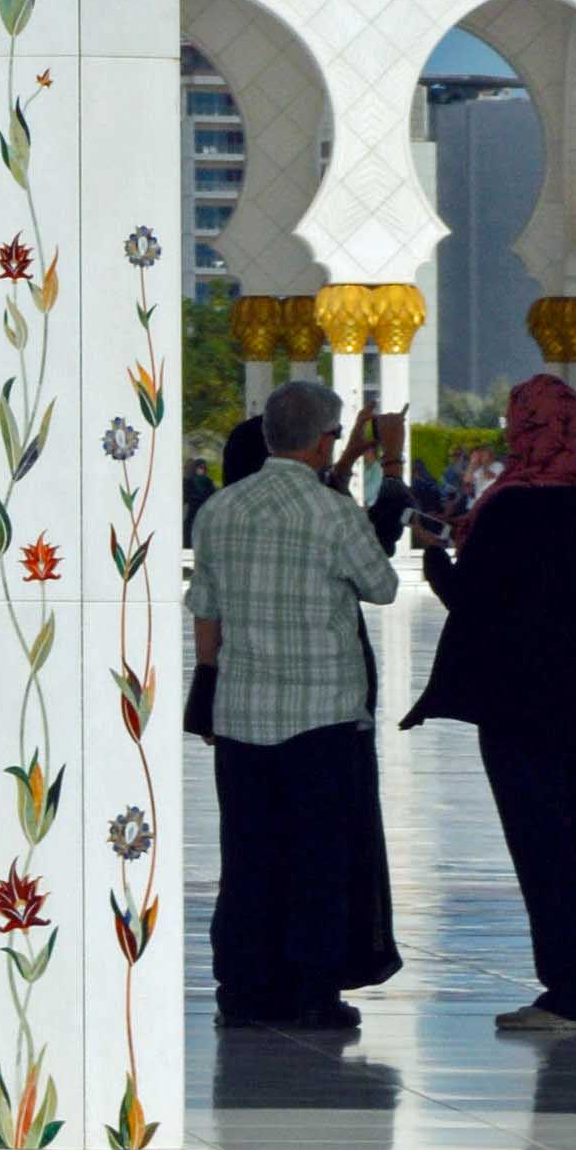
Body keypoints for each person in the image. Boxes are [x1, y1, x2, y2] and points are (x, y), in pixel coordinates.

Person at [407, 368, 576, 1033]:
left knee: (542, 846)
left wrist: (434, 557)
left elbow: (477, 603)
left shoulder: (511, 504)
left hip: (523, 699)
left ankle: (570, 996)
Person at [190, 375, 400, 1030]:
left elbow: (207, 610)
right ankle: (313, 991)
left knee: (249, 855)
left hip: (243, 714)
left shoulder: (219, 510)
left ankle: (245, 987)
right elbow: (383, 585)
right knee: (320, 856)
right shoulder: (332, 514)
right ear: (319, 442)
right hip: (324, 714)